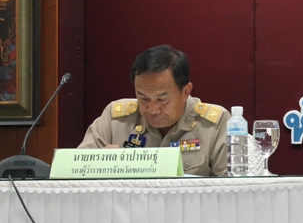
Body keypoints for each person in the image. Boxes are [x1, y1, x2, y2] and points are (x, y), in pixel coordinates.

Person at [79, 45, 230, 176]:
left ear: (185, 92)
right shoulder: (115, 119)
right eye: (143, 98)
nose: (152, 110)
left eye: (161, 99)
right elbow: (76, 172)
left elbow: (233, 189)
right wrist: (98, 165)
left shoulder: (215, 124)